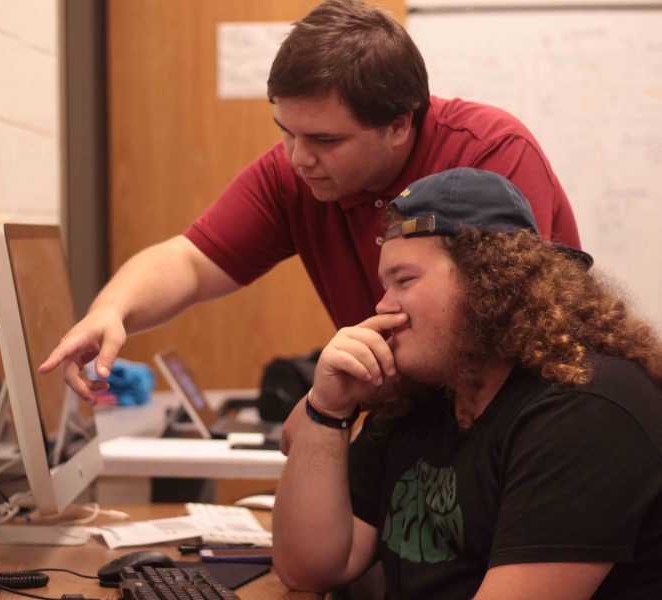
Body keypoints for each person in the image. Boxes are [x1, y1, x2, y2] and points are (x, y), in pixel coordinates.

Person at [39, 0, 581, 400]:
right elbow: (189, 260)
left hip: (515, 417)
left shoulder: (490, 151)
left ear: (399, 124)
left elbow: (500, 327)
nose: (298, 158)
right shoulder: (295, 172)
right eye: (286, 132)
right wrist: (111, 311)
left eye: (325, 140)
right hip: (406, 417)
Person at [272, 167, 662, 598]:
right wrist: (328, 409)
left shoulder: (587, 406)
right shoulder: (421, 394)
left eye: (404, 280)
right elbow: (307, 570)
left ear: (488, 282)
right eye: (384, 285)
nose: (383, 304)